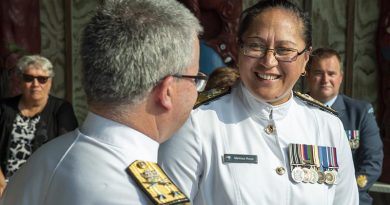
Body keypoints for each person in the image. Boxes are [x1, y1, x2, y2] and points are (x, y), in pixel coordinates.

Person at [0, 0, 203, 204]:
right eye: (195, 79)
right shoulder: (133, 195)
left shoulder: (39, 162)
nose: (197, 89)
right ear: (167, 91)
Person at [158, 1, 359, 204]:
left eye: (284, 50)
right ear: (238, 49)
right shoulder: (197, 123)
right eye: (256, 46)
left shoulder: (327, 127)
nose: (269, 61)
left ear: (305, 59)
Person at [306, 47, 383, 205]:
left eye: (331, 74)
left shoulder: (360, 113)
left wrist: (343, 193)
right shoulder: (292, 111)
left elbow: (372, 161)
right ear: (307, 75)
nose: (325, 79)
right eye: (319, 73)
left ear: (340, 77)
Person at [0, 55, 78, 195]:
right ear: (20, 81)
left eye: (42, 79)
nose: (36, 84)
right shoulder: (4, 108)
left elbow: (67, 151)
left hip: (45, 188)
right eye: (29, 78)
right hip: (5, 187)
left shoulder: (61, 109)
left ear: (50, 82)